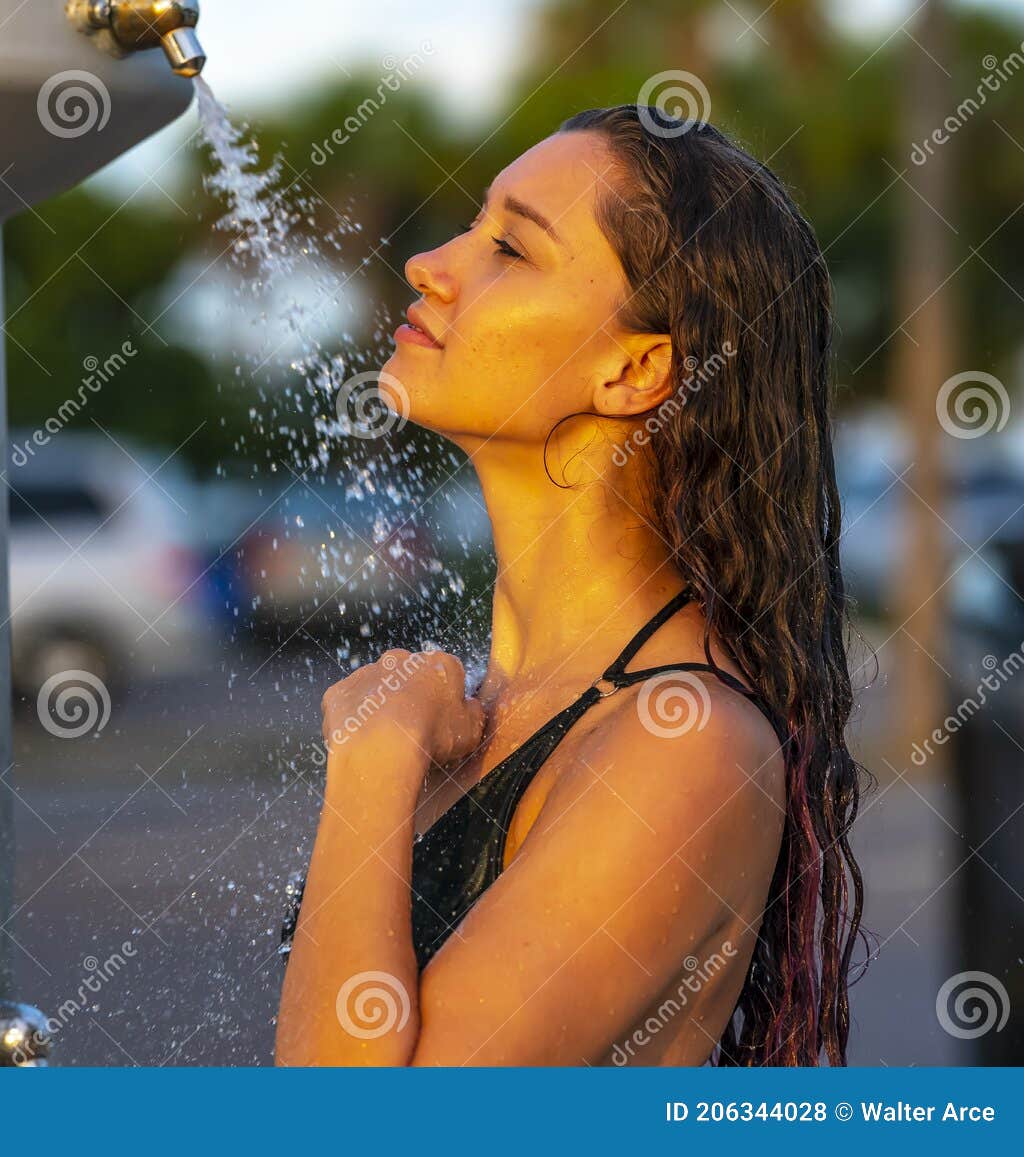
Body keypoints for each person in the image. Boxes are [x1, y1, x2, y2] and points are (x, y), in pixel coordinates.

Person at [274, 104, 865, 1067]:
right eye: (475, 225)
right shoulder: (493, 698)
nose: (433, 262)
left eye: (510, 246)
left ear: (635, 370)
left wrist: (370, 769)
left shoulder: (684, 742)